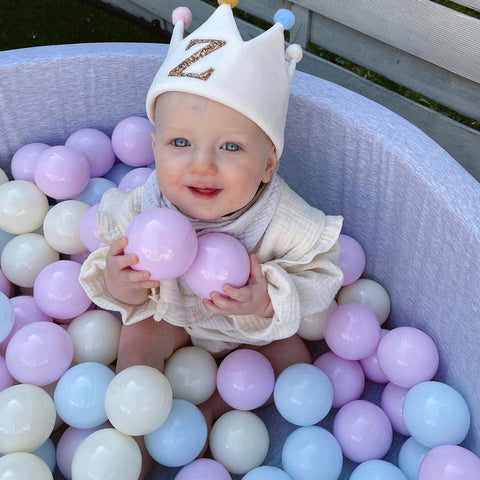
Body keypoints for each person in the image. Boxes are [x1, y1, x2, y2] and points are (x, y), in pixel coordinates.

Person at [79, 1, 343, 476]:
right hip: (172, 312)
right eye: (180, 143)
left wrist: (265, 302)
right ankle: (130, 448)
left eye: (231, 147)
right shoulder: (147, 204)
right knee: (136, 348)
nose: (201, 165)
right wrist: (122, 282)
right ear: (155, 145)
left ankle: (215, 411)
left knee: (295, 359)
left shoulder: (283, 216)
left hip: (245, 329)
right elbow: (110, 259)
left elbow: (322, 270)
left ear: (268, 165)